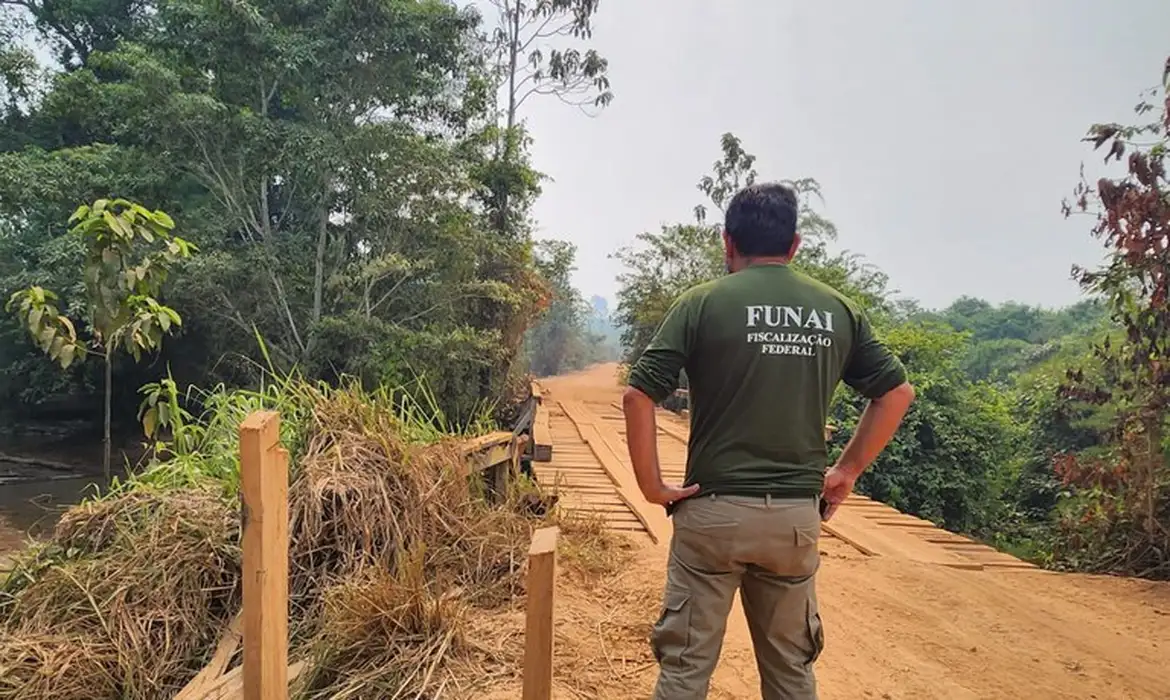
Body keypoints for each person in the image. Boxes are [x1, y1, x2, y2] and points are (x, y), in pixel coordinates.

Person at [622, 182, 915, 699]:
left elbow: (638, 395)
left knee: (684, 671)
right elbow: (896, 392)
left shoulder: (701, 303)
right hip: (794, 523)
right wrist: (846, 472)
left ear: (727, 242)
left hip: (712, 516)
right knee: (791, 674)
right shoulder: (837, 310)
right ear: (795, 245)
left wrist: (652, 486)